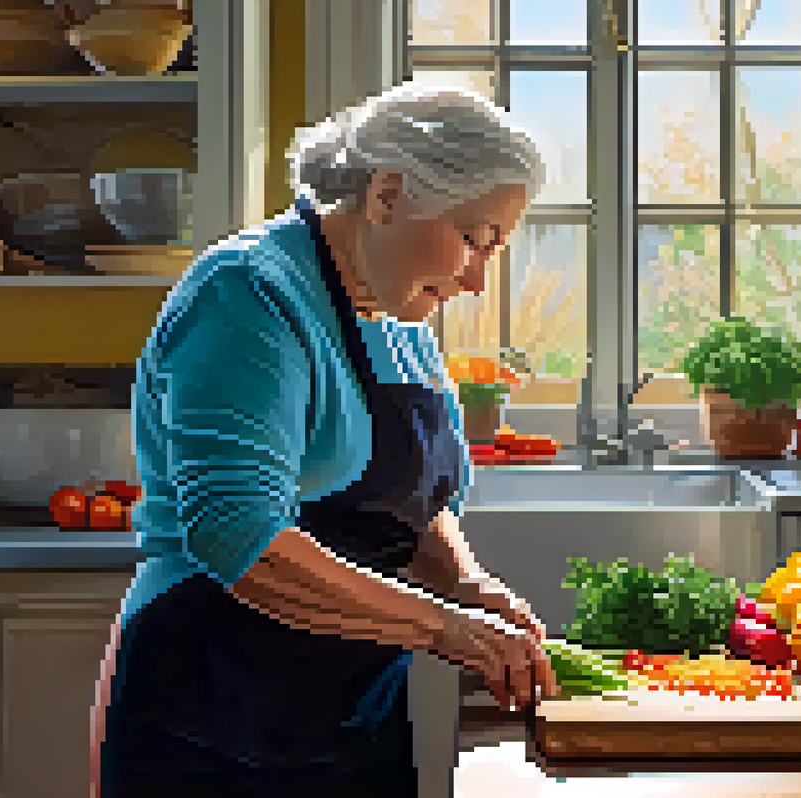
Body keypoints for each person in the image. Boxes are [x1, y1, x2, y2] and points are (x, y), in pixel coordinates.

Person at [90, 83, 560, 797]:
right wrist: (443, 627)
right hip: (209, 711)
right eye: (472, 239)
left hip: (349, 714)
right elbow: (240, 539)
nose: (476, 281)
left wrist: (465, 583)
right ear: (389, 195)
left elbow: (415, 507)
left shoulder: (404, 322)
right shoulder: (248, 293)